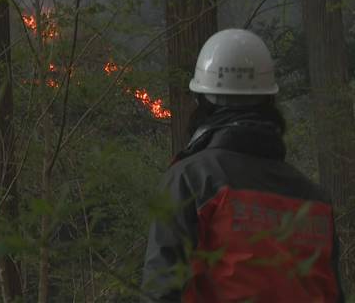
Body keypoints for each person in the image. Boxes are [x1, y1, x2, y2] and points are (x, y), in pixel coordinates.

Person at [141, 29, 344, 302]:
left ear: (201, 102)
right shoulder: (315, 200)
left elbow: (162, 291)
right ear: (269, 101)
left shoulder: (190, 181)